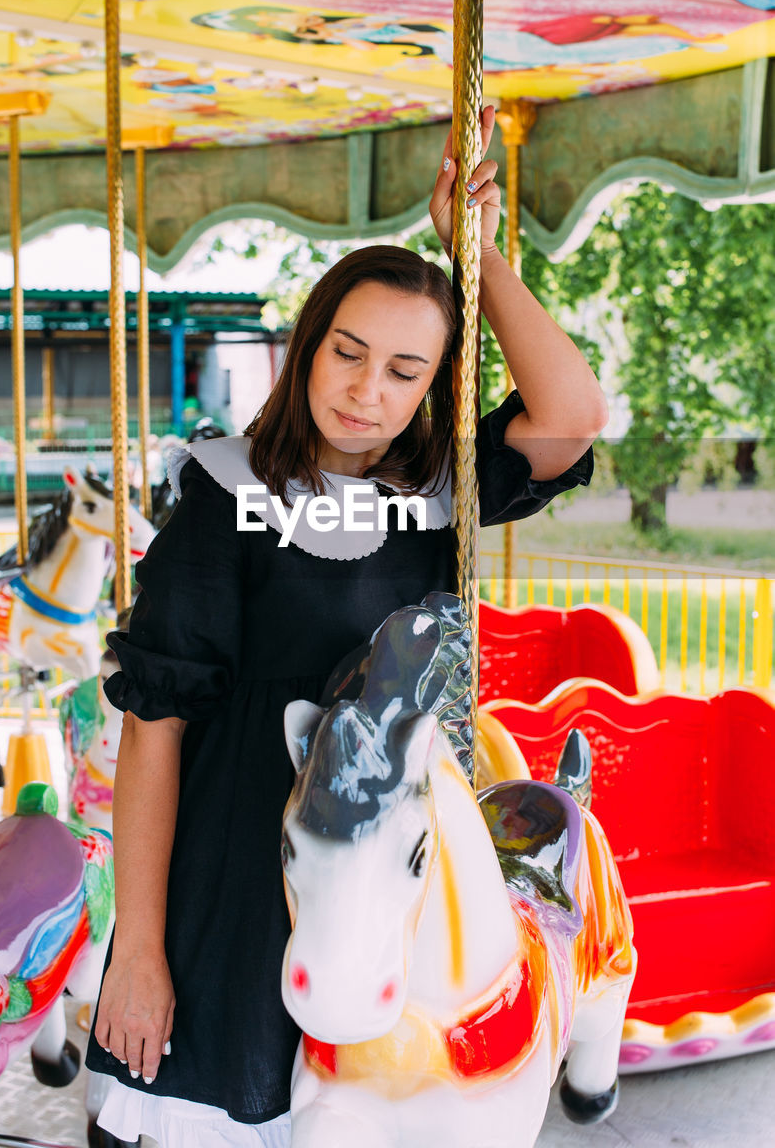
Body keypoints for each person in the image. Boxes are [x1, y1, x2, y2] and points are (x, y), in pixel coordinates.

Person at [85, 107, 608, 1147]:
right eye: (348, 352)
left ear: (430, 387)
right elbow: (156, 728)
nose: (367, 391)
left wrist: (484, 260)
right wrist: (137, 944)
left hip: (389, 892)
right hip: (235, 880)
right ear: (308, 343)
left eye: (406, 372)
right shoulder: (227, 497)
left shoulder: (436, 490)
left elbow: (572, 415)